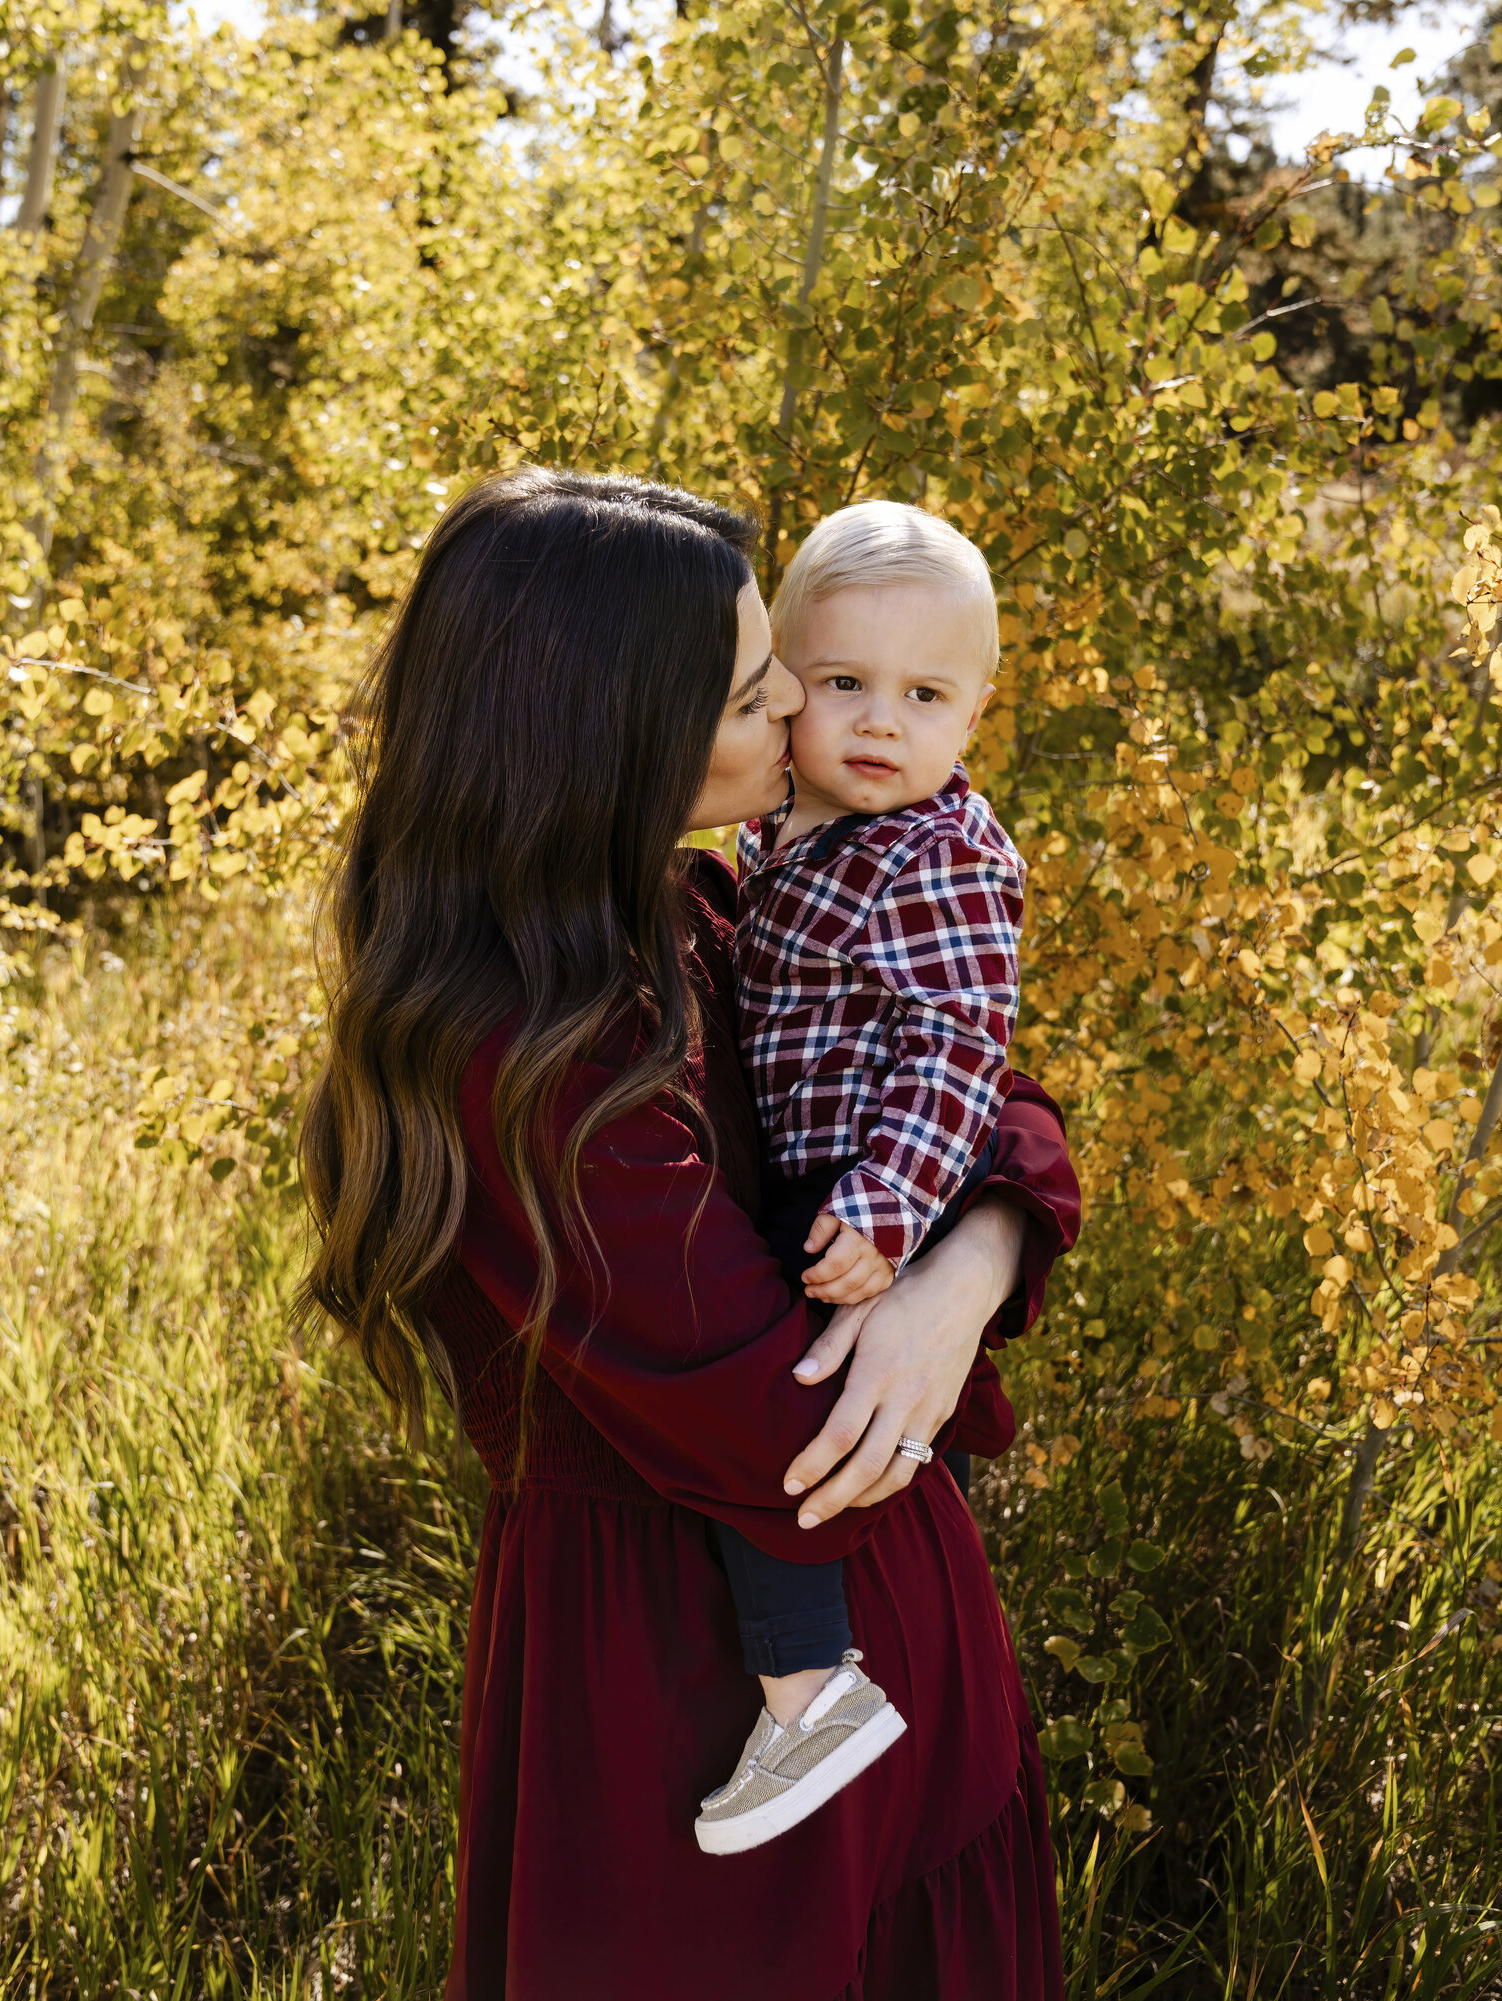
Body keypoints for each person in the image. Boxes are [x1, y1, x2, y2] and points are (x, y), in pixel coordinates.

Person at [298, 466, 1080, 2001]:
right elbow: (763, 1408)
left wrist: (962, 1276)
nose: (798, 698)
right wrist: (935, 1286)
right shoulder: (524, 1052)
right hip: (689, 1694)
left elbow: (999, 1089)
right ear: (617, 737)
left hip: (857, 1651)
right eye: (754, 686)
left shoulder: (703, 909)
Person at [700, 501, 1025, 1856]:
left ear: (976, 709)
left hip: (863, 1187)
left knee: (785, 1411)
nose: (880, 722)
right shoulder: (782, 842)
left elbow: (964, 1049)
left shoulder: (936, 853)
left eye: (925, 693)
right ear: (784, 689)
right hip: (824, 1181)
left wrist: (896, 1210)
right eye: (843, 683)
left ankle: (809, 1685)